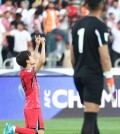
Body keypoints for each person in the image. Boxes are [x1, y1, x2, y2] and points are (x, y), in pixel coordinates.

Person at [71, 0, 116, 134]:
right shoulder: (100, 26)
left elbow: (72, 56)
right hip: (92, 75)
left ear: (86, 6)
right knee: (90, 117)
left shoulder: (76, 25)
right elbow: (105, 57)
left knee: (92, 115)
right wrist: (109, 78)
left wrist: (78, 70)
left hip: (78, 74)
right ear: (102, 6)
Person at [3, 35, 45, 134]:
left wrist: (37, 45)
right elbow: (41, 61)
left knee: (38, 132)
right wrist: (43, 45)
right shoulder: (27, 73)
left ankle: (13, 128)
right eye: (30, 56)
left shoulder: (25, 71)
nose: (33, 57)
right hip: (33, 107)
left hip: (33, 106)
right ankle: (13, 128)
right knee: (37, 133)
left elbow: (34, 59)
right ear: (27, 61)